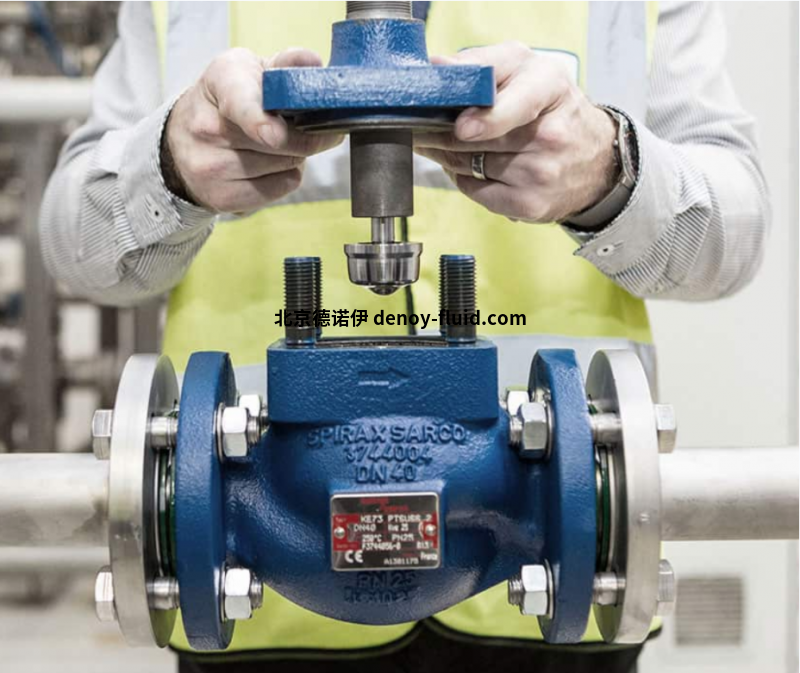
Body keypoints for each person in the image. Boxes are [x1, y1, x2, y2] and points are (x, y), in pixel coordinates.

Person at [39, 2, 768, 672]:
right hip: (254, 566)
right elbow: (76, 243)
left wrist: (609, 169)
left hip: (559, 552)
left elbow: (734, 234)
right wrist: (169, 166)